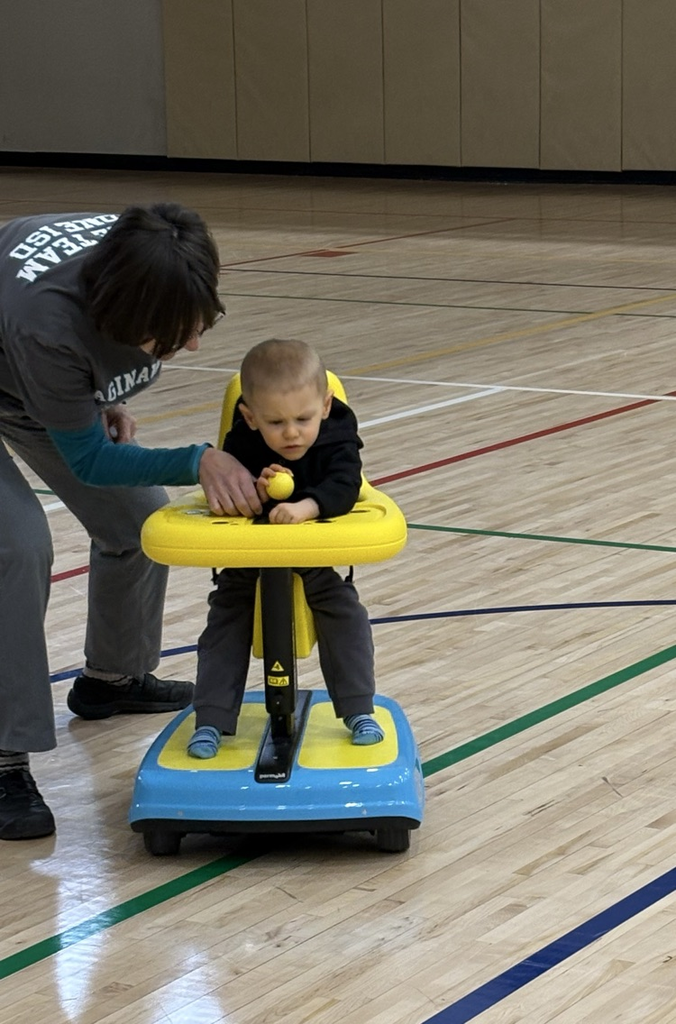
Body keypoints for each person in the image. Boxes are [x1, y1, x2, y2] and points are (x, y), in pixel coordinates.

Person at [0, 202, 262, 841]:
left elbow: (87, 384)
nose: (193, 343)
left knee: (141, 520)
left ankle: (111, 680)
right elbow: (89, 460)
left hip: (25, 370)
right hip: (22, 355)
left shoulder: (148, 250)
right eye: (175, 332)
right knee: (16, 546)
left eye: (201, 321)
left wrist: (101, 397)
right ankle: (4, 756)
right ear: (125, 311)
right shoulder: (49, 326)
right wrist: (198, 459)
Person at [187, 337, 384, 760]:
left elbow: (346, 483)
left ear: (326, 406)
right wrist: (256, 491)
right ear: (250, 416)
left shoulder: (337, 432)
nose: (291, 432)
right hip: (253, 557)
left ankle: (357, 710)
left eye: (303, 418)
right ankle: (211, 719)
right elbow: (232, 492)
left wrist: (308, 506)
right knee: (226, 615)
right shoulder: (242, 440)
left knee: (344, 612)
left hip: (310, 555)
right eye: (275, 423)